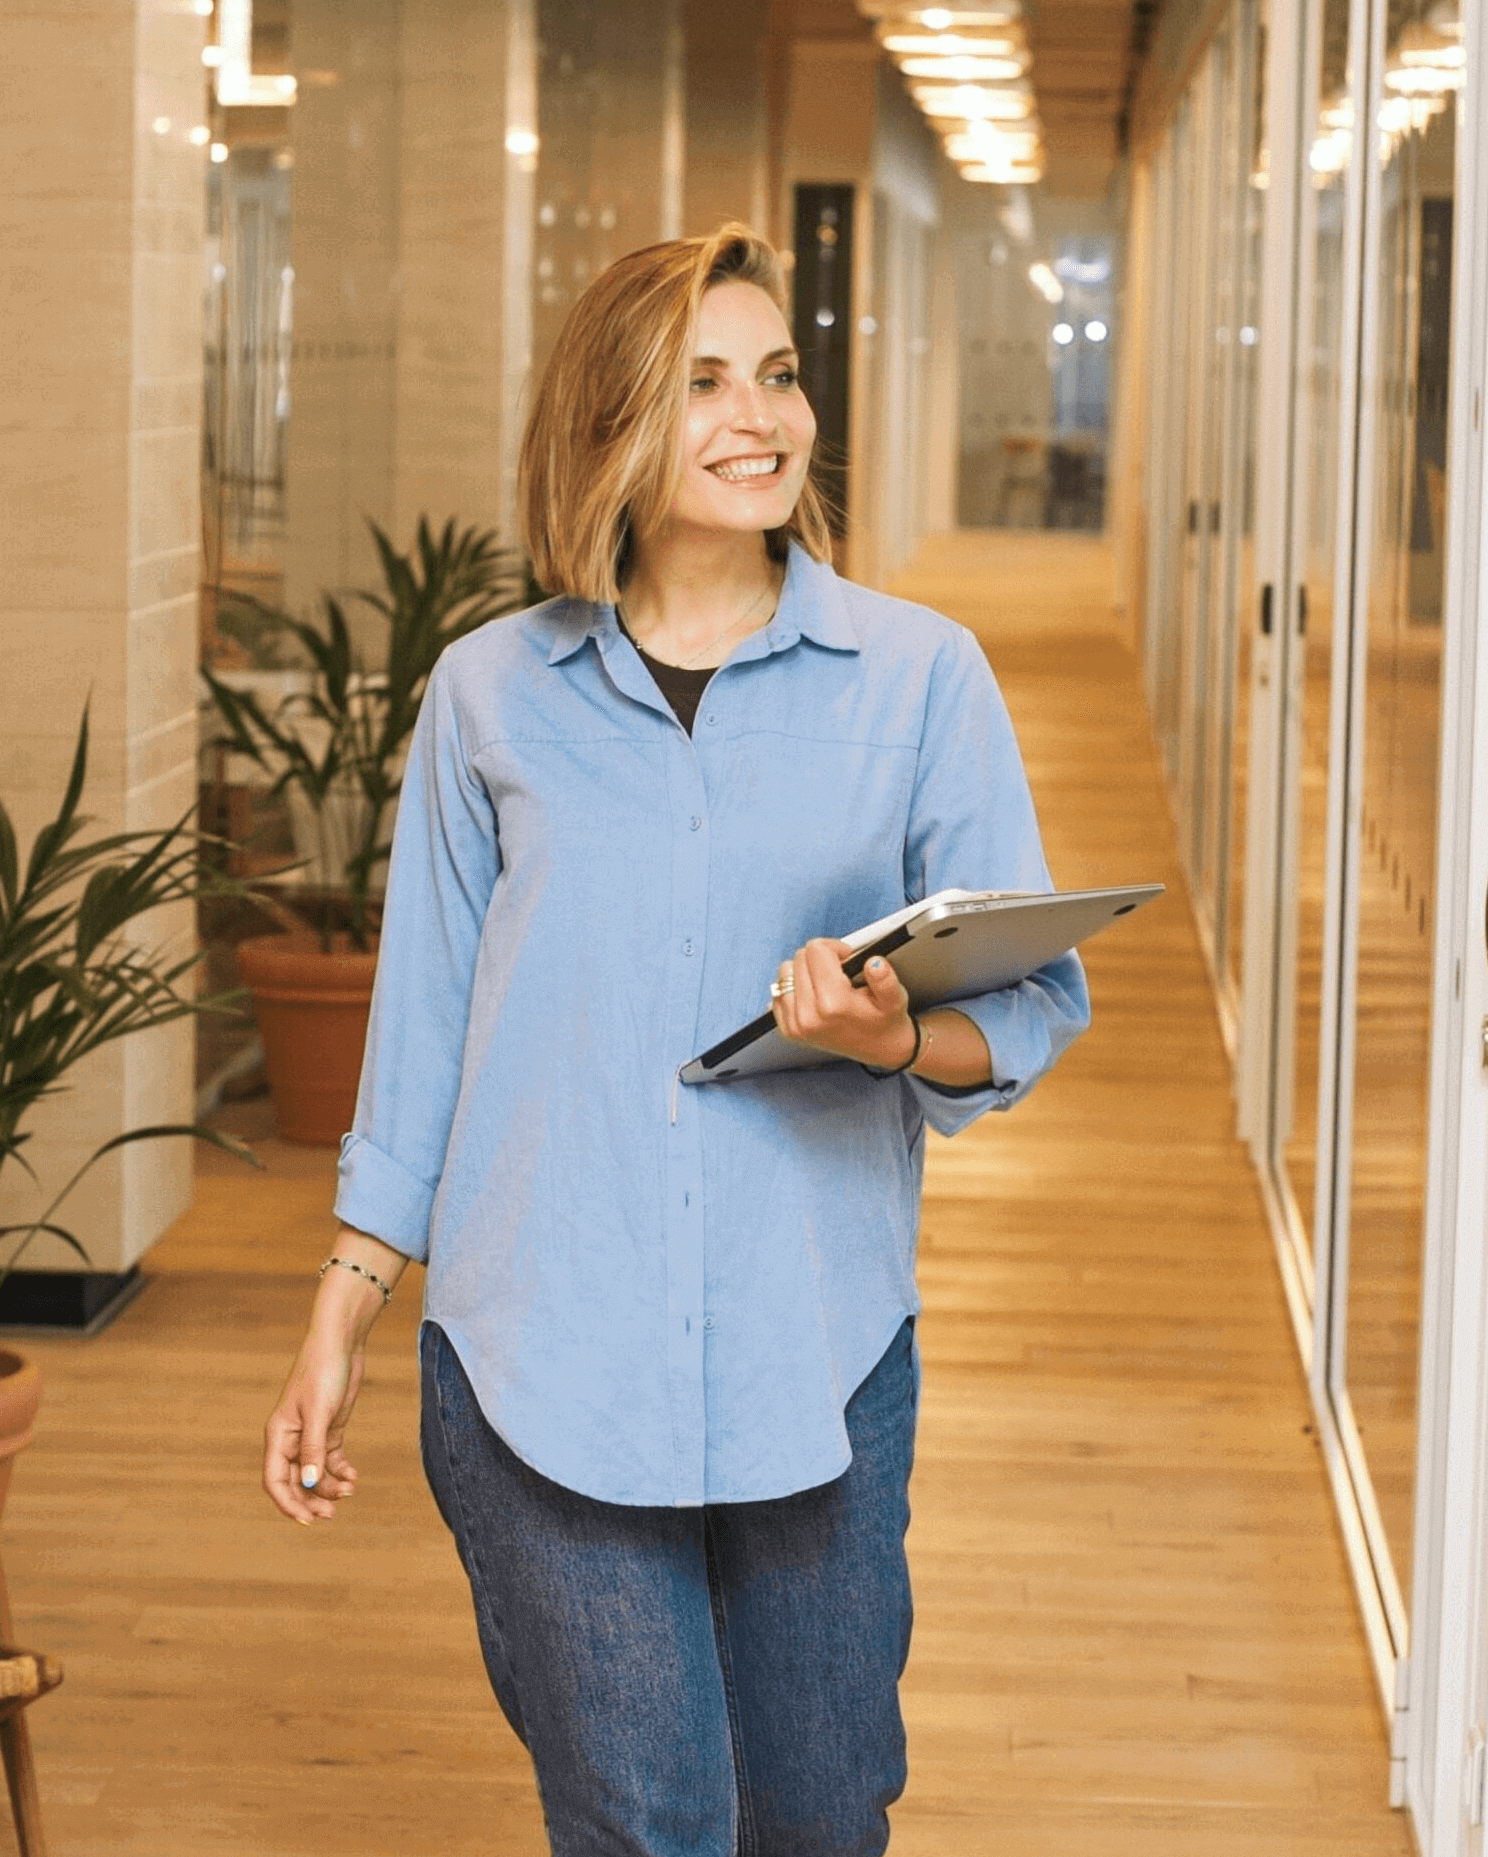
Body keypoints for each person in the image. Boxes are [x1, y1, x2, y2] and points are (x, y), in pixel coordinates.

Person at [262, 223, 1090, 1856]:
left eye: (775, 375)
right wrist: (341, 1316)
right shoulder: (491, 695)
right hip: (539, 1357)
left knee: (822, 1816)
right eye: (703, 382)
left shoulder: (919, 679)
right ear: (612, 423)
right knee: (650, 1824)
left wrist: (885, 1040)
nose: (759, 416)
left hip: (817, 1357)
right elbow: (422, 1032)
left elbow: (1030, 1006)